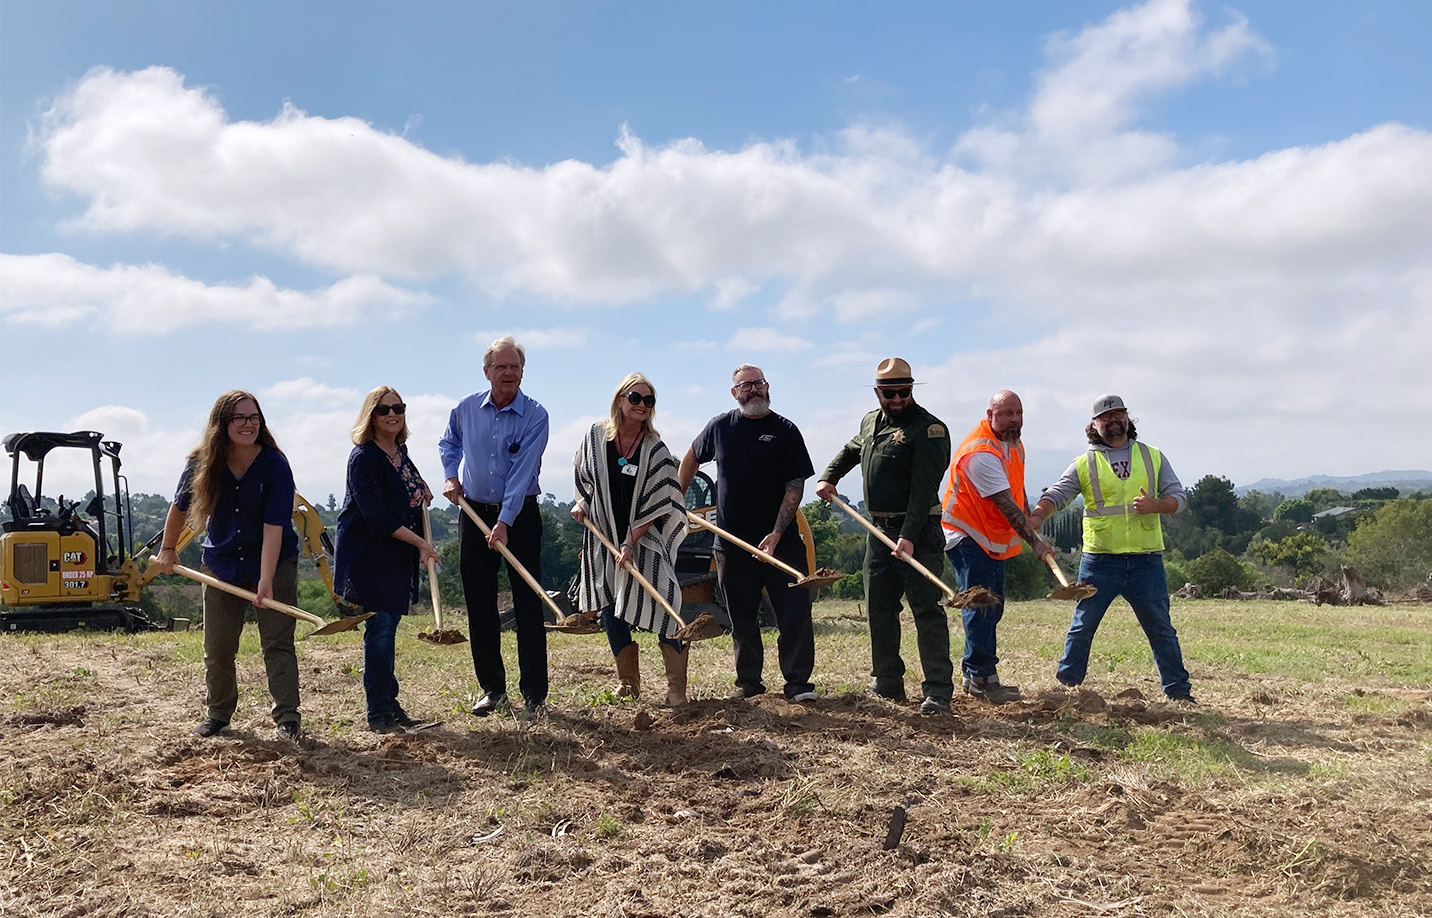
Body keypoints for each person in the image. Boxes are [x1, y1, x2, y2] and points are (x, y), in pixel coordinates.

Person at [154, 390, 303, 738]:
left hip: (274, 562)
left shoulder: (275, 464)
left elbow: (273, 528)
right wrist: (168, 549)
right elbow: (179, 509)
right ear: (223, 423)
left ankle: (287, 719)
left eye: (254, 418)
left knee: (277, 643)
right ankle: (218, 714)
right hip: (221, 564)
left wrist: (266, 581)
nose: (248, 425)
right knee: (218, 647)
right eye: (240, 418)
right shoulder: (202, 463)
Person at [1029, 394, 1195, 703]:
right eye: (1105, 417)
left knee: (1161, 630)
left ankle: (1178, 693)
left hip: (1146, 561)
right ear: (1094, 425)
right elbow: (1058, 494)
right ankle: (1067, 689)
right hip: (1100, 562)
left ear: (1128, 419)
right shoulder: (1084, 462)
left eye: (1118, 414)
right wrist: (1038, 515)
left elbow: (1179, 498)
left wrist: (1156, 505)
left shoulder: (1153, 456)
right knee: (1083, 627)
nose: (1113, 419)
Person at [815, 358, 954, 715]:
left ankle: (938, 689)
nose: (896, 399)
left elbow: (924, 489)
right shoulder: (870, 422)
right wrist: (829, 476)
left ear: (911, 389)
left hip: (918, 532)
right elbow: (852, 448)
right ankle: (887, 683)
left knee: (926, 609)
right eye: (889, 393)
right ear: (878, 392)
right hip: (876, 531)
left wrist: (907, 536)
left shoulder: (929, 429)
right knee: (879, 607)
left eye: (903, 392)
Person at [678, 364, 817, 702]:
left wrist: (775, 533)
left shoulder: (785, 430)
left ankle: (798, 685)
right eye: (746, 386)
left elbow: (794, 487)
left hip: (781, 543)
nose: (754, 390)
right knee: (742, 618)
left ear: (767, 387)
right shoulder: (721, 427)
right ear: (734, 392)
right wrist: (675, 500)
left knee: (794, 615)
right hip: (730, 545)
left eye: (759, 383)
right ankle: (749, 685)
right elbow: (692, 458)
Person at [438, 336, 551, 717]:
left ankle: (534, 693)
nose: (508, 374)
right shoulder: (466, 408)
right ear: (486, 372)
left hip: (519, 516)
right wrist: (451, 476)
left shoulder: (536, 416)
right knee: (479, 603)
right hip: (472, 514)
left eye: (515, 367)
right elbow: (448, 442)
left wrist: (504, 522)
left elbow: (521, 476)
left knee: (527, 602)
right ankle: (493, 689)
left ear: (523, 372)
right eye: (501, 367)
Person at [572, 373, 691, 705]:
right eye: (635, 398)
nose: (642, 405)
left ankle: (676, 688)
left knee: (666, 601)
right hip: (603, 536)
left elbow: (663, 497)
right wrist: (582, 503)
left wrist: (630, 542)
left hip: (645, 538)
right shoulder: (595, 436)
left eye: (648, 400)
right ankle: (628, 683)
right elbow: (584, 476)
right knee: (610, 601)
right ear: (620, 401)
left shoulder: (655, 448)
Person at [333, 386, 440, 733]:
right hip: (370, 557)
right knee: (380, 632)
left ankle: (390, 706)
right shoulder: (363, 457)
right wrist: (422, 544)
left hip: (395, 554)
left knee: (388, 629)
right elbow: (376, 517)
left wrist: (422, 488)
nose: (392, 414)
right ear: (371, 416)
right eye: (383, 410)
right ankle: (378, 713)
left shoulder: (400, 451)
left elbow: (407, 487)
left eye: (398, 408)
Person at [940, 390, 1054, 703]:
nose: (1014, 419)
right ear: (990, 415)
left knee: (993, 605)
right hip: (967, 534)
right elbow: (1004, 504)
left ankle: (974, 673)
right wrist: (1037, 543)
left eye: (1018, 413)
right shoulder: (981, 452)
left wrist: (1030, 517)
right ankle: (981, 678)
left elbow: (1016, 491)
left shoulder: (1013, 444)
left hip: (989, 537)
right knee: (981, 605)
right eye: (1006, 414)